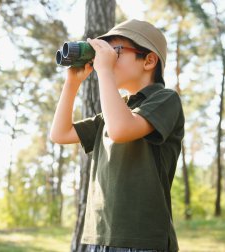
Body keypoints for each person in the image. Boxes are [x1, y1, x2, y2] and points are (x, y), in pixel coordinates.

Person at [49, 19, 185, 252]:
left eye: (115, 52)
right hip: (100, 235)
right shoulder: (116, 110)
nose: (106, 59)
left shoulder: (165, 99)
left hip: (141, 238)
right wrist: (72, 83)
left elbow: (121, 130)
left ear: (149, 60)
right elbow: (60, 134)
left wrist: (103, 71)